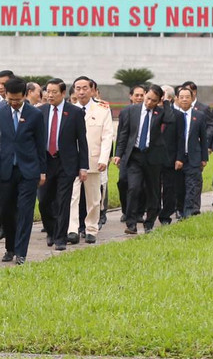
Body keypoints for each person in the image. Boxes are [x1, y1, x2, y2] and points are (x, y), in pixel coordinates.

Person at [0, 77, 47, 264]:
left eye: (18, 99)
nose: (14, 103)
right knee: (6, 211)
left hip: (28, 170)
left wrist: (42, 171)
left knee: (25, 212)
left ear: (25, 95)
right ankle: (10, 247)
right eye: (11, 99)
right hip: (5, 169)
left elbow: (41, 144)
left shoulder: (35, 114)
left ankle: (21, 252)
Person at [114, 84, 176, 233]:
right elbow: (124, 134)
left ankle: (149, 223)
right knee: (133, 188)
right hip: (135, 155)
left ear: (158, 101)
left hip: (153, 157)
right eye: (148, 98)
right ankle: (131, 223)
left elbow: (170, 120)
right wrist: (118, 154)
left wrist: (166, 102)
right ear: (145, 94)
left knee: (153, 191)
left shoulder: (160, 112)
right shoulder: (131, 111)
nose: (149, 103)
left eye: (154, 101)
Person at [38, 79, 88, 250]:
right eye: (48, 92)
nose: (50, 95)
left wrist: (83, 166)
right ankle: (51, 230)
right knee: (44, 201)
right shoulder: (41, 111)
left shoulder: (74, 112)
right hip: (45, 162)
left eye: (54, 92)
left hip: (66, 163)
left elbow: (82, 141)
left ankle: (60, 238)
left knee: (63, 201)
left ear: (63, 93)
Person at [67, 76, 115, 244]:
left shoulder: (102, 110)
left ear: (92, 90)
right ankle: (72, 229)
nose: (81, 92)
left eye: (85, 88)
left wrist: (104, 158)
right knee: (72, 197)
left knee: (94, 198)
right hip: (73, 162)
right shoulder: (69, 110)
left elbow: (107, 136)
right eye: (77, 88)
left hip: (93, 161)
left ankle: (91, 229)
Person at [171, 85, 208, 219]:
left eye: (188, 97)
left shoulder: (199, 116)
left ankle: (188, 210)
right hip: (177, 158)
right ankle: (179, 209)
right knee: (179, 186)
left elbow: (203, 138)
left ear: (192, 99)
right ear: (177, 99)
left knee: (192, 185)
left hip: (193, 156)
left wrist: (204, 158)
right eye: (182, 97)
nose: (185, 100)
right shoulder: (172, 115)